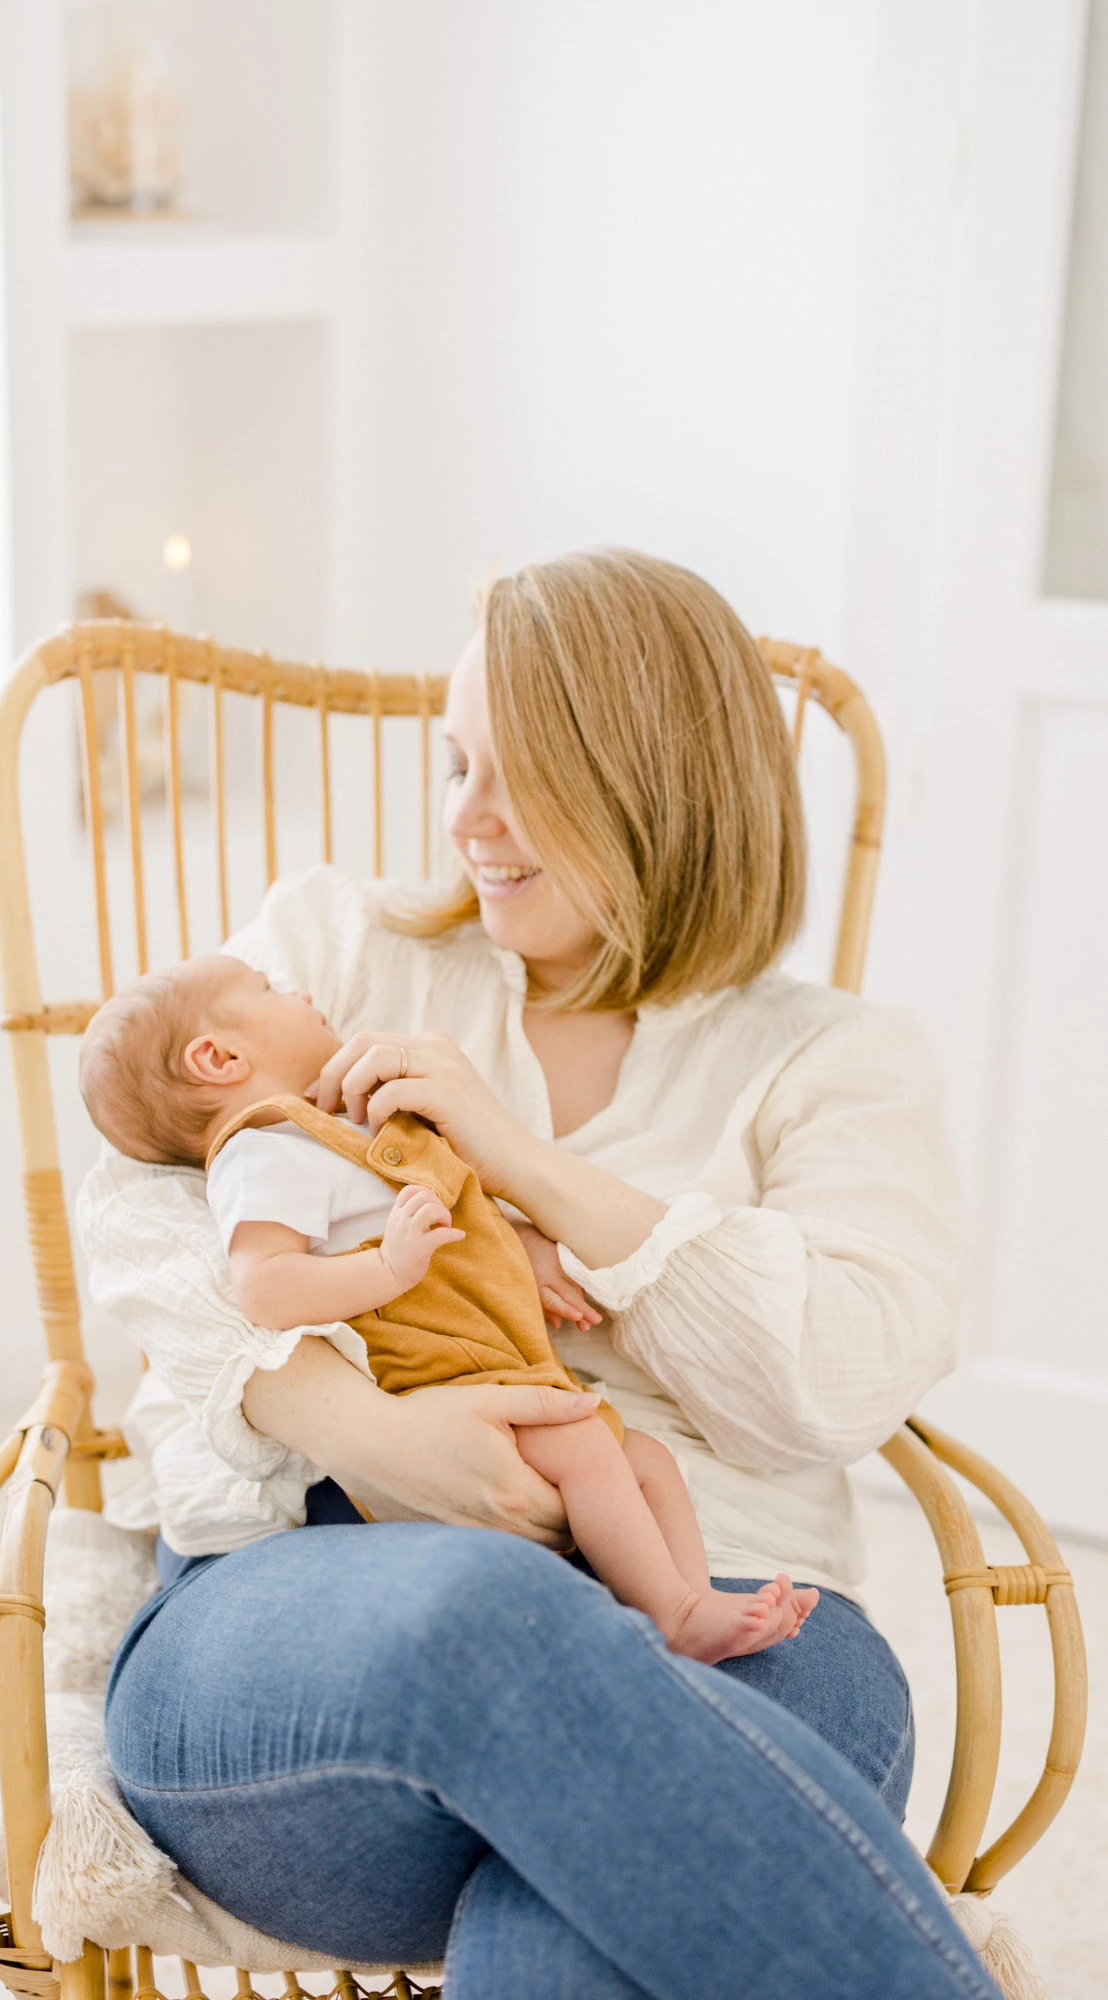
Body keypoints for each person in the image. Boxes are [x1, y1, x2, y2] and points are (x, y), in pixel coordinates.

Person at [80, 551, 992, 1996]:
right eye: (455, 767)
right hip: (315, 1623)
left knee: (576, 1933)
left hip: (740, 1608)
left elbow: (842, 1374)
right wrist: (364, 1430)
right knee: (496, 1617)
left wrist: (530, 1165)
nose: (467, 825)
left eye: (524, 780)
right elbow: (131, 1212)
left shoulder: (838, 1062)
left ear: (658, 789)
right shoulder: (331, 951)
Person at [78, 951, 817, 1661]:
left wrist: (512, 1239)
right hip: (432, 1376)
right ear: (217, 1059)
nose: (299, 994)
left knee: (645, 1458)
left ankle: (695, 1596)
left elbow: (439, 1206)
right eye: (271, 989)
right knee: (588, 1449)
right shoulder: (261, 1154)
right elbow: (266, 1288)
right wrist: (388, 1266)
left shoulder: (342, 1129)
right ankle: (672, 1613)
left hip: (492, 1356)